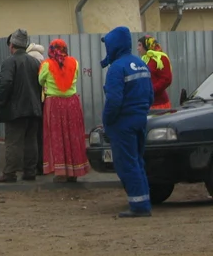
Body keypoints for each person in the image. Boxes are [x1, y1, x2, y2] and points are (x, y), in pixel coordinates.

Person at [101, 26, 154, 218]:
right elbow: (150, 95)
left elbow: (114, 100)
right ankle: (144, 200)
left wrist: (107, 121)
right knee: (137, 162)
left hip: (123, 123)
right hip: (140, 120)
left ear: (114, 45)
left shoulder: (117, 68)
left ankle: (139, 206)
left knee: (126, 164)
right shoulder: (140, 63)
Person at [0, 29, 42, 183]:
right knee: (31, 141)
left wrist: (2, 102)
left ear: (12, 44)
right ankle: (30, 171)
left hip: (15, 109)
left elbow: (5, 84)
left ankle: (9, 173)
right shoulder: (35, 62)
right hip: (34, 108)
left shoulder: (10, 61)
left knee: (13, 142)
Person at [39, 39, 90, 182]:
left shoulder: (46, 65)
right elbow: (76, 77)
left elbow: (40, 81)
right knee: (73, 135)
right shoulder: (75, 62)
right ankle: (74, 170)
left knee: (57, 136)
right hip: (72, 103)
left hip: (54, 103)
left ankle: (60, 172)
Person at [137, 36, 173, 110]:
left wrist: (152, 90)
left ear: (147, 45)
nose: (138, 48)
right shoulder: (145, 60)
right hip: (146, 103)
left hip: (159, 104)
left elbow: (167, 79)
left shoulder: (161, 58)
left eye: (140, 45)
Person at [26, 41, 46, 176]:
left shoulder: (28, 59)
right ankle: (41, 165)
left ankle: (30, 166)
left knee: (30, 136)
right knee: (41, 135)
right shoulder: (42, 59)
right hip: (43, 100)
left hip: (30, 101)